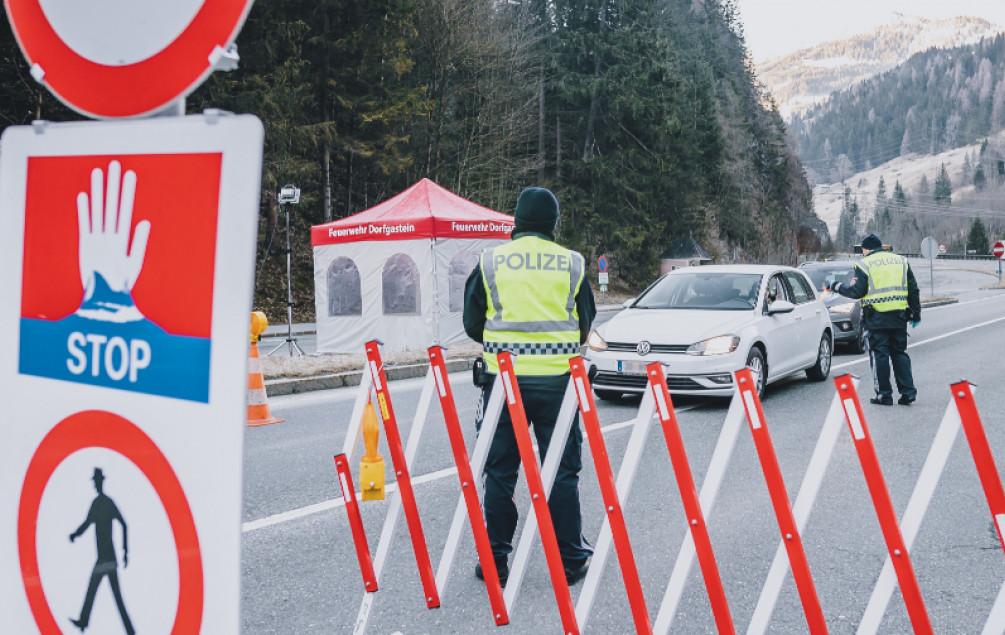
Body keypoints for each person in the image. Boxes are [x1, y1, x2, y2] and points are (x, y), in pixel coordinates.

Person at [463, 186, 595, 586]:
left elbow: (473, 323)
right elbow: (584, 324)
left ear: (515, 220)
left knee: (500, 471)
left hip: (502, 385)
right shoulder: (571, 263)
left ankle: (495, 562)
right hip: (558, 385)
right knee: (561, 471)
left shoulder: (490, 261)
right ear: (554, 224)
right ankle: (571, 560)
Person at [828, 233, 921, 406]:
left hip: (876, 318)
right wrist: (916, 314)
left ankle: (884, 395)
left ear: (866, 249)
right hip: (899, 316)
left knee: (880, 355)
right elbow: (913, 289)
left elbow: (857, 292)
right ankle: (908, 392)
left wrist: (837, 286)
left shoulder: (864, 264)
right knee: (900, 354)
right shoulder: (901, 261)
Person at [69, 467, 135, 635]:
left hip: (106, 559)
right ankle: (85, 621)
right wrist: (75, 534)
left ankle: (84, 621)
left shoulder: (102, 503)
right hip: (107, 559)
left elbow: (124, 524)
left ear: (101, 482)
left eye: (97, 482)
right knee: (100, 591)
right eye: (95, 482)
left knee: (103, 592)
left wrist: (126, 551)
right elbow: (87, 523)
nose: (95, 485)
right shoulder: (100, 503)